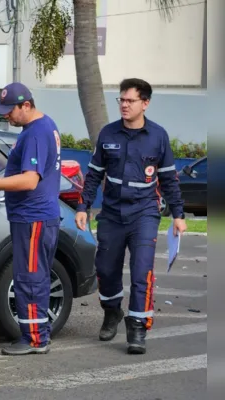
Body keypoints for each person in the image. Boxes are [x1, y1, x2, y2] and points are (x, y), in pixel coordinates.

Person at [74, 78, 186, 355]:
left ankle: (137, 327)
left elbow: (169, 180)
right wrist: (82, 206)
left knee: (141, 273)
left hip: (144, 213)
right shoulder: (108, 134)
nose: (124, 105)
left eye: (130, 100)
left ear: (145, 103)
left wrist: (179, 215)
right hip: (111, 214)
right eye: (121, 100)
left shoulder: (158, 136)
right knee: (106, 269)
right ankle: (112, 311)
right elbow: (94, 175)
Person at [0, 82, 62, 356]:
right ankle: (36, 336)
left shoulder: (36, 133)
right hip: (34, 216)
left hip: (33, 217)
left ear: (26, 105)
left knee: (30, 278)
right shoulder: (37, 128)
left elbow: (29, 180)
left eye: (10, 110)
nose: (6, 116)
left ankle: (34, 339)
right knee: (32, 276)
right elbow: (17, 165)